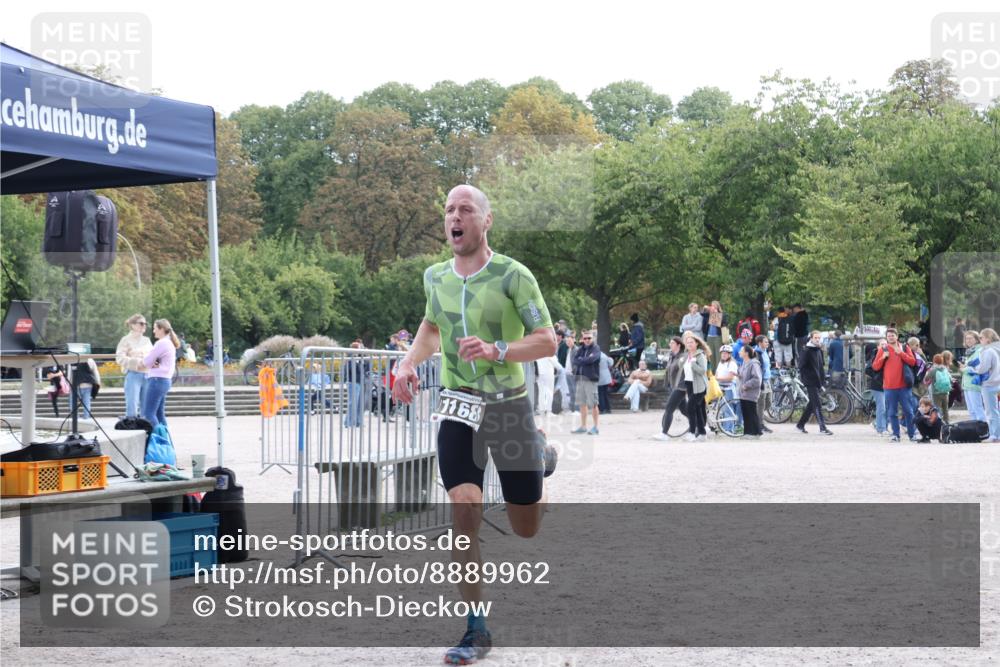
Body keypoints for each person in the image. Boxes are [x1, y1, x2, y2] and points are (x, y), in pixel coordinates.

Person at [390, 184, 558, 664]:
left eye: (465, 209)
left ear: (486, 221)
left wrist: (498, 349)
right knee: (465, 510)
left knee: (526, 527)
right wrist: (406, 365)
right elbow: (431, 326)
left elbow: (546, 340)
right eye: (448, 210)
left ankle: (539, 461)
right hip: (457, 404)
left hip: (507, 405)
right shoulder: (435, 277)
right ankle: (476, 628)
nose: (454, 217)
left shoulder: (513, 276)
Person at [871, 328, 917, 442]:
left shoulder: (905, 347)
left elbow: (912, 362)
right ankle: (896, 435)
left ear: (897, 336)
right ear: (886, 337)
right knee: (892, 412)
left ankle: (912, 434)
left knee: (909, 411)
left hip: (904, 386)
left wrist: (900, 353)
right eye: (889, 336)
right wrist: (883, 357)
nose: (890, 337)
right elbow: (875, 366)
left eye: (892, 335)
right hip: (889, 386)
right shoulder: (883, 349)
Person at [142, 319, 180, 429]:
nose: (153, 331)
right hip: (164, 381)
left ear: (162, 329)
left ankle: (158, 439)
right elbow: (156, 362)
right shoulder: (169, 343)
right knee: (159, 414)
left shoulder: (161, 343)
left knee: (149, 414)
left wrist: (143, 361)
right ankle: (165, 441)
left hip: (157, 381)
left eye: (155, 328)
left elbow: (147, 362)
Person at [795, 330, 833, 435]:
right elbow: (801, 366)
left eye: (818, 338)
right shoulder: (806, 350)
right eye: (815, 337)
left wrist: (822, 380)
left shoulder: (818, 350)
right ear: (811, 338)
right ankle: (822, 428)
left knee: (812, 404)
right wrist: (807, 377)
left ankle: (800, 424)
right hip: (810, 381)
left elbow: (821, 366)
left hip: (818, 381)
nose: (817, 339)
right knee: (817, 404)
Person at [115, 313, 153, 418]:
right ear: (133, 325)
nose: (144, 326)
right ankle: (132, 428)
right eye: (141, 323)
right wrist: (137, 362)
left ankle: (146, 429)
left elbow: (153, 356)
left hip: (147, 375)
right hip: (133, 374)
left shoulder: (147, 340)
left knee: (146, 407)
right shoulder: (125, 340)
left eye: (145, 323)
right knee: (132, 406)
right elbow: (119, 358)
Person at [654, 337, 688, 441]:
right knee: (684, 410)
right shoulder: (672, 356)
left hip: (681, 387)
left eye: (672, 343)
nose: (670, 344)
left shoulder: (683, 357)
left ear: (678, 345)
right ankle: (700, 424)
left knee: (669, 409)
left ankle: (664, 433)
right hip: (673, 386)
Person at [572, 330, 602, 435]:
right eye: (585, 338)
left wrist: (582, 360)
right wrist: (585, 359)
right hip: (580, 379)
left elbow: (592, 359)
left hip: (590, 379)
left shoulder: (596, 348)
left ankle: (595, 427)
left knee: (593, 404)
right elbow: (575, 360)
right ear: (582, 339)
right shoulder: (580, 349)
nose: (587, 340)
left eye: (589, 338)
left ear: (592, 338)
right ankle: (583, 426)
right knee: (582, 403)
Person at [681, 334, 710, 441]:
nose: (689, 344)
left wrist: (693, 363)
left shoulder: (700, 355)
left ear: (697, 343)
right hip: (689, 384)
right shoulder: (686, 355)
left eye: (691, 342)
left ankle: (692, 433)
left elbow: (702, 370)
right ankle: (702, 433)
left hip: (699, 386)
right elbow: (684, 370)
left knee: (690, 407)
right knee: (697, 409)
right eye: (687, 342)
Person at [975, 328, 1000, 443]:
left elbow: (983, 368)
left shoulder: (988, 351)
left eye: (981, 337)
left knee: (991, 411)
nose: (980, 340)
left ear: (988, 339)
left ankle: (995, 435)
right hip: (998, 382)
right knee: (996, 410)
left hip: (989, 383)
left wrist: (973, 368)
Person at [959, 330, 986, 423]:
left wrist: (965, 369)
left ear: (977, 339)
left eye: (971, 338)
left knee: (977, 408)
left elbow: (979, 368)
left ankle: (983, 430)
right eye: (966, 339)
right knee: (971, 410)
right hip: (967, 384)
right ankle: (976, 431)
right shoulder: (969, 352)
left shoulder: (979, 351)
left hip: (974, 383)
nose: (968, 340)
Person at [715, 344, 741, 433]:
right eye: (722, 353)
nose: (723, 355)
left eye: (726, 353)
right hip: (720, 387)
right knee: (721, 408)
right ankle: (724, 427)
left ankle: (729, 429)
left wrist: (717, 379)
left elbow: (730, 377)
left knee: (728, 408)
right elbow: (717, 374)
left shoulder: (732, 364)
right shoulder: (721, 363)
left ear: (730, 354)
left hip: (729, 388)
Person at [738, 345, 763, 437]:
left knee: (751, 413)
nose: (739, 352)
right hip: (743, 393)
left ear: (746, 353)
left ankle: (754, 432)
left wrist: (746, 385)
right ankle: (748, 432)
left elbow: (757, 379)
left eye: (741, 351)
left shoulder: (754, 364)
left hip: (750, 393)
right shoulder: (744, 363)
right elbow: (742, 375)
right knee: (746, 414)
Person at [342, 339, 368, 428]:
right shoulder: (350, 358)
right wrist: (357, 363)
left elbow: (366, 367)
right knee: (353, 402)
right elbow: (349, 370)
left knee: (360, 403)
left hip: (359, 382)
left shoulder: (360, 358)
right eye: (360, 348)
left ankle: (358, 421)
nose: (362, 349)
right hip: (353, 382)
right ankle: (348, 422)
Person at [866, 339, 889, 436]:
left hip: (887, 384)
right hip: (877, 385)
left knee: (887, 407)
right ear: (878, 346)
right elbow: (870, 369)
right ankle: (880, 428)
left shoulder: (888, 354)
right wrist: (877, 377)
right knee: (881, 407)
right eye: (882, 344)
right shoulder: (875, 355)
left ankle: (881, 425)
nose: (884, 346)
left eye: (885, 344)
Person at [754, 335, 774, 434]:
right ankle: (760, 424)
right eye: (765, 342)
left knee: (769, 401)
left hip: (767, 380)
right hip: (761, 381)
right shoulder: (756, 353)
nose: (767, 343)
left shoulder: (765, 351)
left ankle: (757, 417)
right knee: (761, 404)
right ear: (760, 343)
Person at [927, 353, 952, 423]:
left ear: (934, 362)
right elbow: (950, 379)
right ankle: (947, 423)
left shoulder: (933, 370)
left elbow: (926, 378)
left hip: (936, 392)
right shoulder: (945, 369)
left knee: (937, 408)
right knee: (945, 409)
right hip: (946, 392)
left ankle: (938, 423)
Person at [702, 301, 727, 372]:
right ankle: (712, 372)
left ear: (717, 307)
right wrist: (705, 309)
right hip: (709, 337)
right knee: (711, 355)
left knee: (718, 355)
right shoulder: (708, 314)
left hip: (718, 337)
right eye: (711, 305)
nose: (712, 307)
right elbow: (702, 315)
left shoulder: (722, 314)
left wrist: (716, 314)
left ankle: (718, 371)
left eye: (714, 306)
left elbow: (724, 324)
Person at [535, 351, 559, 416]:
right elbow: (556, 365)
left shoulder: (538, 353)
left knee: (541, 392)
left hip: (540, 375)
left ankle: (542, 411)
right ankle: (548, 411)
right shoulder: (550, 353)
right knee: (549, 392)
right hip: (549, 374)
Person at [597, 349, 614, 415]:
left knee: (600, 394)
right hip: (606, 377)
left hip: (600, 377)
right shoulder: (604, 355)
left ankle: (602, 409)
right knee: (605, 393)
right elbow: (611, 363)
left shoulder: (596, 355)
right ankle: (608, 408)